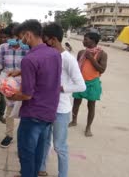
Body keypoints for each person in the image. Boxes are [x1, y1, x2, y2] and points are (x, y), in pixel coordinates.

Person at [8, 20, 61, 177]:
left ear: (28, 35)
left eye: (20, 38)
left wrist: (10, 94)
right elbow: (45, 75)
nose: (20, 42)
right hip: (49, 112)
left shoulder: (29, 59)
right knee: (38, 152)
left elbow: (26, 94)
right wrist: (22, 72)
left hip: (33, 114)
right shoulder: (55, 54)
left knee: (26, 154)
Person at [39, 23, 86, 177]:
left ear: (52, 40)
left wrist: (60, 88)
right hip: (46, 107)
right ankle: (41, 169)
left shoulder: (68, 59)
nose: (42, 44)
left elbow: (81, 86)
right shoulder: (48, 56)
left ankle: (62, 174)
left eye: (44, 40)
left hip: (61, 110)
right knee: (45, 142)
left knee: (60, 146)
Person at [0, 23, 29, 148]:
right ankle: (9, 135)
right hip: (8, 83)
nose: (14, 39)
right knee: (9, 110)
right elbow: (0, 63)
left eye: (17, 36)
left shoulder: (27, 48)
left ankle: (24, 136)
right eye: (12, 36)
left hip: (24, 83)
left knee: (25, 110)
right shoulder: (3, 47)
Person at [70, 32, 108, 137]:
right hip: (80, 82)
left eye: (86, 39)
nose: (83, 41)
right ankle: (74, 120)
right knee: (76, 103)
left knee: (91, 105)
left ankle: (88, 128)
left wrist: (91, 58)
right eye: (84, 39)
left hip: (93, 83)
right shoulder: (81, 52)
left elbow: (102, 69)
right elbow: (77, 68)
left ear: (93, 41)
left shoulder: (102, 54)